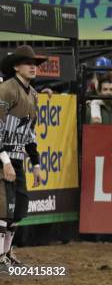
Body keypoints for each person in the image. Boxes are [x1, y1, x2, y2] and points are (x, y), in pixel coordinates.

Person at [0, 45, 44, 270]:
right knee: (3, 208)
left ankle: (5, 253)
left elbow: (30, 133)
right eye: (28, 63)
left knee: (19, 209)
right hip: (2, 156)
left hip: (17, 157)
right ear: (16, 66)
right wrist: (5, 161)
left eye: (35, 64)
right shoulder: (6, 90)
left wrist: (36, 163)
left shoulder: (33, 95)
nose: (33, 67)